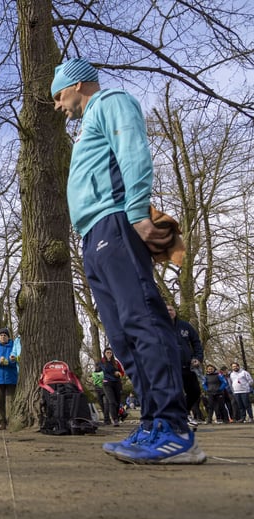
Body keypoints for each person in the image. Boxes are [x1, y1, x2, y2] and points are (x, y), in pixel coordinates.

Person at [52, 57, 205, 464]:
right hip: (92, 236)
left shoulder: (110, 102)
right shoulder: (85, 127)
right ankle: (153, 422)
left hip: (116, 223)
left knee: (143, 318)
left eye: (59, 94)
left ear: (80, 84)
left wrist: (137, 211)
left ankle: (175, 428)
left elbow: (132, 149)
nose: (57, 104)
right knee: (120, 335)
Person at [167, 304, 204, 427]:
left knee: (195, 392)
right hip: (170, 367)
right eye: (166, 310)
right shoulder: (159, 327)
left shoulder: (185, 326)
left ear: (175, 312)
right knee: (175, 393)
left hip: (187, 366)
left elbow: (196, 342)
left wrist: (197, 358)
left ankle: (184, 412)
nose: (169, 312)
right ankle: (175, 418)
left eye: (171, 309)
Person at [99, 348, 125, 427]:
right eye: (107, 353)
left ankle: (116, 417)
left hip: (117, 383)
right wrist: (115, 372)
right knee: (112, 401)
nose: (109, 354)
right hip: (107, 383)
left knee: (117, 401)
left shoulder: (116, 362)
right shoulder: (102, 362)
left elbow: (122, 372)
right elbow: (106, 369)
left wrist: (120, 373)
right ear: (104, 353)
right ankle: (115, 419)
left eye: (110, 353)